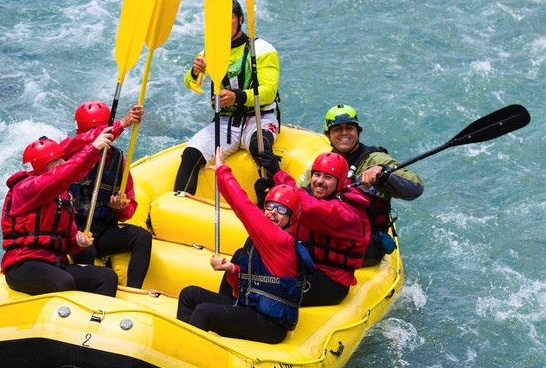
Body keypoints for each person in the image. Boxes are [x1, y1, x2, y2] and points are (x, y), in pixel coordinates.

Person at [175, 148, 309, 344]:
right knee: (190, 295)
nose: (272, 213)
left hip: (270, 324)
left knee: (205, 312)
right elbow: (251, 282)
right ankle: (177, 350)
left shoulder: (281, 241)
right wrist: (231, 269)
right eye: (269, 207)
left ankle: (188, 356)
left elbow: (243, 206)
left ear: (292, 218)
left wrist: (223, 171)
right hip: (249, 307)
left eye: (281, 210)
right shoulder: (261, 241)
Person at [173, 0, 281, 194]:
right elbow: (191, 84)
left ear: (240, 19)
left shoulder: (263, 50)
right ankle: (178, 204)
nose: (225, 23)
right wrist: (196, 72)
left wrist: (236, 97)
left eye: (230, 17)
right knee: (190, 156)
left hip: (259, 117)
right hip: (226, 120)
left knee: (262, 150)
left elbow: (268, 93)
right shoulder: (209, 51)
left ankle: (279, 204)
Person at [1, 128, 119, 297]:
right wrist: (92, 148)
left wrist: (77, 241)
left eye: (62, 158)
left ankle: (97, 320)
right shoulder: (25, 188)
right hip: (23, 264)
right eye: (56, 160)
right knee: (63, 281)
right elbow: (63, 174)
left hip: (54, 263)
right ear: (41, 166)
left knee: (107, 277)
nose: (63, 162)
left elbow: (69, 239)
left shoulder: (64, 194)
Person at [320, 105, 423, 266]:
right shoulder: (324, 162)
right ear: (328, 135)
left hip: (367, 242)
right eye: (337, 129)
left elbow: (415, 188)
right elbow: (300, 194)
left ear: (358, 132)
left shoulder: (376, 159)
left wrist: (384, 173)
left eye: (349, 128)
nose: (344, 133)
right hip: (331, 236)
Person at [65, 101, 153, 289]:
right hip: (74, 230)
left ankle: (134, 290)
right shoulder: (70, 153)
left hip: (103, 229)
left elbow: (130, 207)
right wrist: (121, 124)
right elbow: (84, 141)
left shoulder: (119, 159)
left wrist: (120, 209)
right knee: (87, 250)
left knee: (142, 237)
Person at [267, 151, 371, 306]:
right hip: (304, 269)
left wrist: (278, 174)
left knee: (263, 287)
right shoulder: (311, 199)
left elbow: (308, 207)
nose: (319, 181)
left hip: (331, 281)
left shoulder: (344, 213)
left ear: (339, 182)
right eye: (316, 175)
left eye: (328, 177)